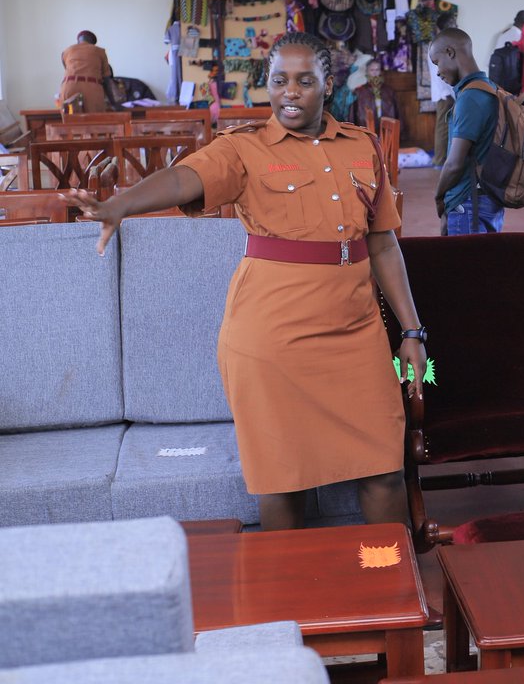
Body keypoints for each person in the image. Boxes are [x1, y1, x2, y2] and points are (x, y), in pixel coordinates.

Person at [61, 32, 428, 532]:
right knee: (283, 479)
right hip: (271, 341)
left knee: (385, 471)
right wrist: (121, 204)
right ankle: (294, 600)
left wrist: (412, 331)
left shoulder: (362, 147)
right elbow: (182, 179)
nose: (290, 92)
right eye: (279, 81)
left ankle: (384, 583)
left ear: (329, 85)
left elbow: (383, 244)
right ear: (267, 86)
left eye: (304, 81)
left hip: (356, 335)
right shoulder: (243, 149)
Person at [431, 27, 503, 235]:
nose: (437, 71)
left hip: (469, 202)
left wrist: (439, 197)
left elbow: (454, 164)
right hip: (485, 197)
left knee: (466, 266)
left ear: (450, 53)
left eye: (437, 62)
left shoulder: (470, 98)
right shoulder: (488, 87)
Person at [429, 12, 458, 166]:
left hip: (446, 90)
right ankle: (440, 161)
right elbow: (442, 71)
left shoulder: (440, 42)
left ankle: (442, 160)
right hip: (445, 91)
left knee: (446, 126)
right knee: (443, 127)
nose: (456, 26)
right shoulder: (440, 44)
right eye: (453, 24)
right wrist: (454, 92)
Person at [59, 30, 113, 112]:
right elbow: (107, 79)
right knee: (93, 122)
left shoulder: (67, 51)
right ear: (92, 43)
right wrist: (114, 102)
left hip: (68, 88)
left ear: (78, 41)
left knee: (70, 123)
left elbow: (67, 69)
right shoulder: (99, 51)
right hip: (92, 89)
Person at [349, 57, 403, 132]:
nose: (374, 73)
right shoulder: (359, 92)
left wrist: (399, 132)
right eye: (372, 70)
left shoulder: (389, 91)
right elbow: (352, 115)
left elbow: (398, 114)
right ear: (367, 72)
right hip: (365, 131)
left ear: (380, 72)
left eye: (377, 70)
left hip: (387, 132)